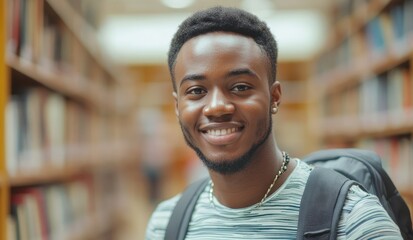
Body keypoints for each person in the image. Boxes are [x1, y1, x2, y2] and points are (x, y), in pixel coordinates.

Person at [145, 6, 402, 239]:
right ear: (178, 106)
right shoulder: (166, 224)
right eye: (196, 91)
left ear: (275, 97)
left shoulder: (354, 222)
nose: (216, 107)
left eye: (240, 87)